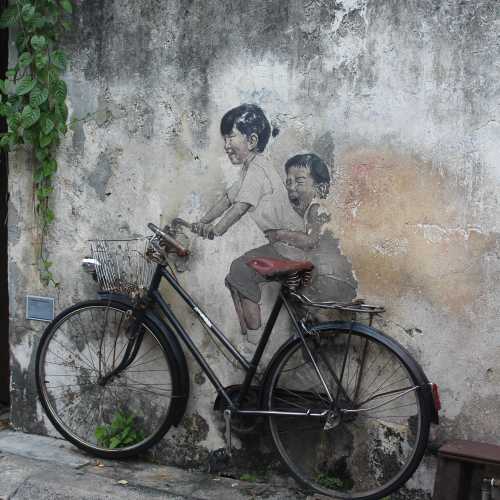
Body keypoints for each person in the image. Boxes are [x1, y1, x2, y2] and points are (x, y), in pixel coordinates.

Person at [191, 104, 300, 334]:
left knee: (240, 270)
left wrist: (216, 229)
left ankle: (253, 340)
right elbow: (227, 200)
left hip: (290, 246)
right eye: (225, 138)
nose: (226, 145)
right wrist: (202, 221)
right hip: (284, 246)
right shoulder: (249, 170)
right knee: (236, 276)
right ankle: (251, 338)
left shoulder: (258, 170)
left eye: (231, 136)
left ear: (251, 141)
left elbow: (239, 207)